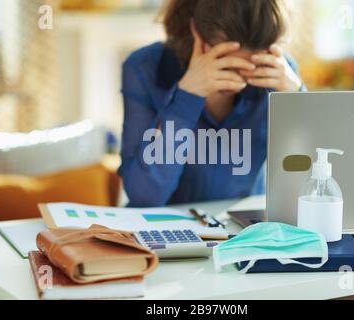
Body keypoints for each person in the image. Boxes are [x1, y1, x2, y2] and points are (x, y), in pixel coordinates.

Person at [119, 0, 305, 207]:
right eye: (228, 65)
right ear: (196, 32)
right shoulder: (145, 68)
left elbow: (313, 183)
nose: (240, 81)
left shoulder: (280, 74)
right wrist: (186, 96)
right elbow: (145, 196)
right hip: (164, 230)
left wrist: (297, 101)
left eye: (252, 66)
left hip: (245, 233)